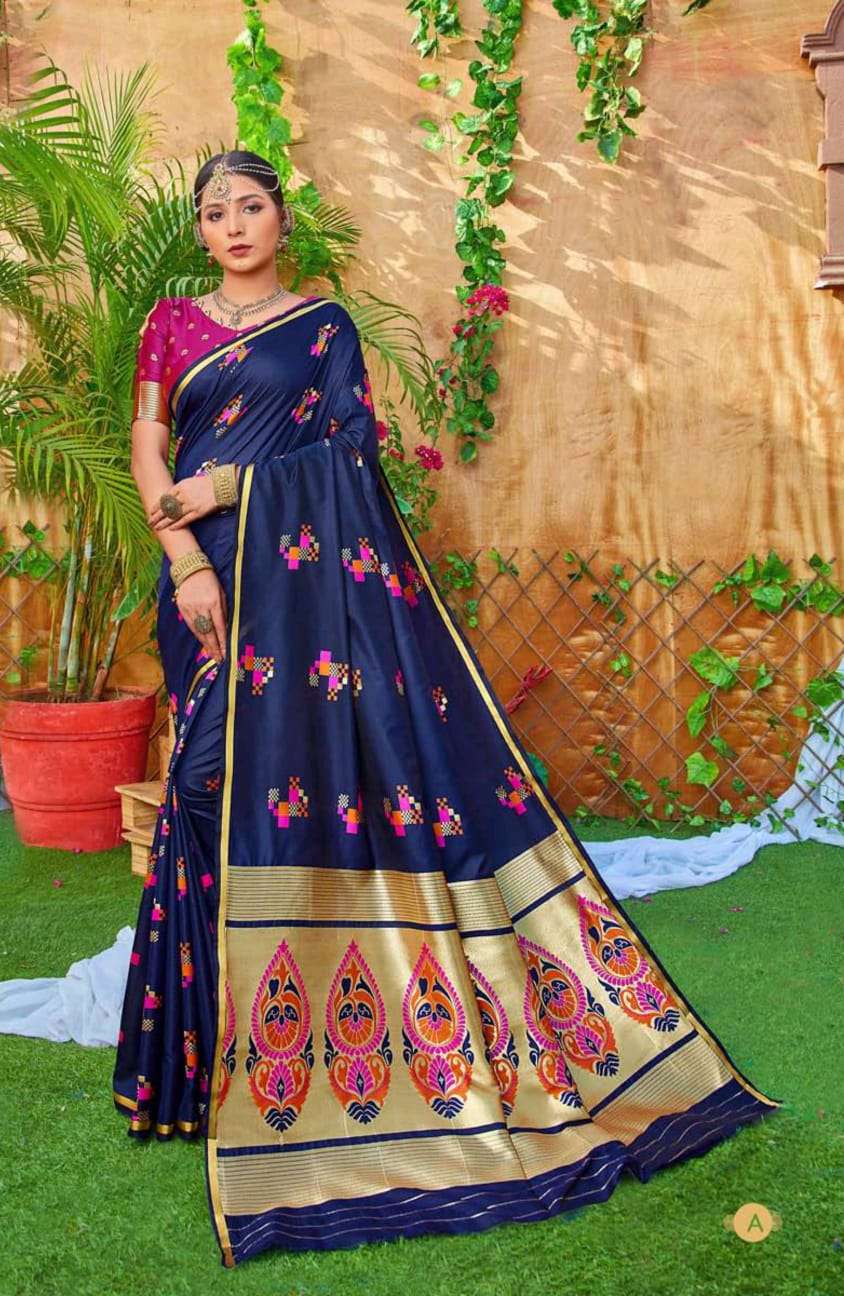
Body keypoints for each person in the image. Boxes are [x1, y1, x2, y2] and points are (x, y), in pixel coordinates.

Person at [113, 149, 783, 1269]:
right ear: (199, 230)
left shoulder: (324, 328)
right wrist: (185, 558)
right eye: (214, 211)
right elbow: (148, 447)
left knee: (282, 783)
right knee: (200, 789)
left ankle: (300, 1043)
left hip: (303, 585)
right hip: (208, 582)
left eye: (251, 206)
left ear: (282, 218)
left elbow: (348, 456)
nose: (232, 224)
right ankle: (190, 1061)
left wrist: (233, 485)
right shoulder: (170, 326)